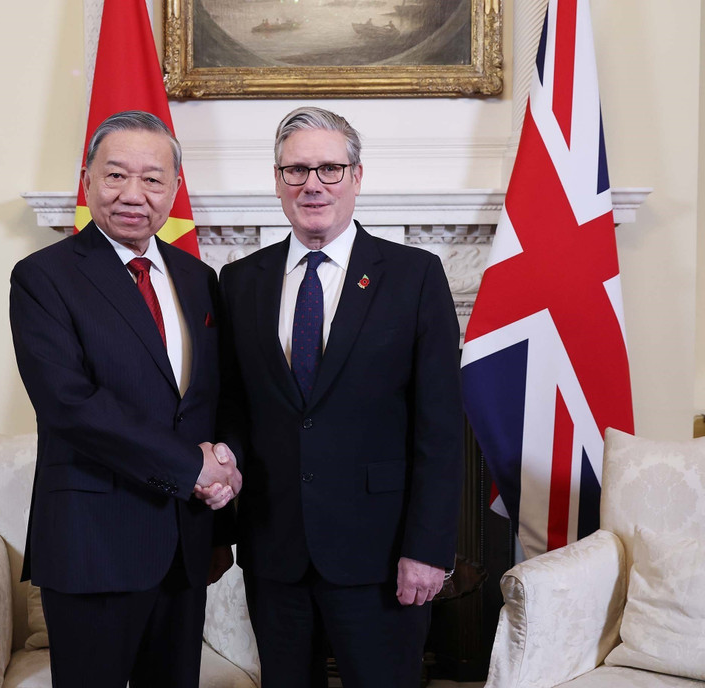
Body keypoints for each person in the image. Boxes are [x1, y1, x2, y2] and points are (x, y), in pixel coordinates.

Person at [217, 106, 463, 687]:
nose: (313, 184)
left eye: (329, 168)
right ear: (277, 181)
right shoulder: (240, 280)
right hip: (275, 550)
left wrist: (428, 548)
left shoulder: (415, 276)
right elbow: (232, 407)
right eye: (296, 170)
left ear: (357, 176)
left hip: (380, 554)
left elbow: (441, 426)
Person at [10, 110, 241, 688]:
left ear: (174, 189)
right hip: (94, 546)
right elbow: (71, 405)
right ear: (87, 180)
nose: (133, 194)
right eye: (115, 176)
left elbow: (213, 396)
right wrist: (194, 468)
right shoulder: (43, 277)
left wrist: (227, 466)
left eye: (153, 179)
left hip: (184, 547)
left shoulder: (197, 277)